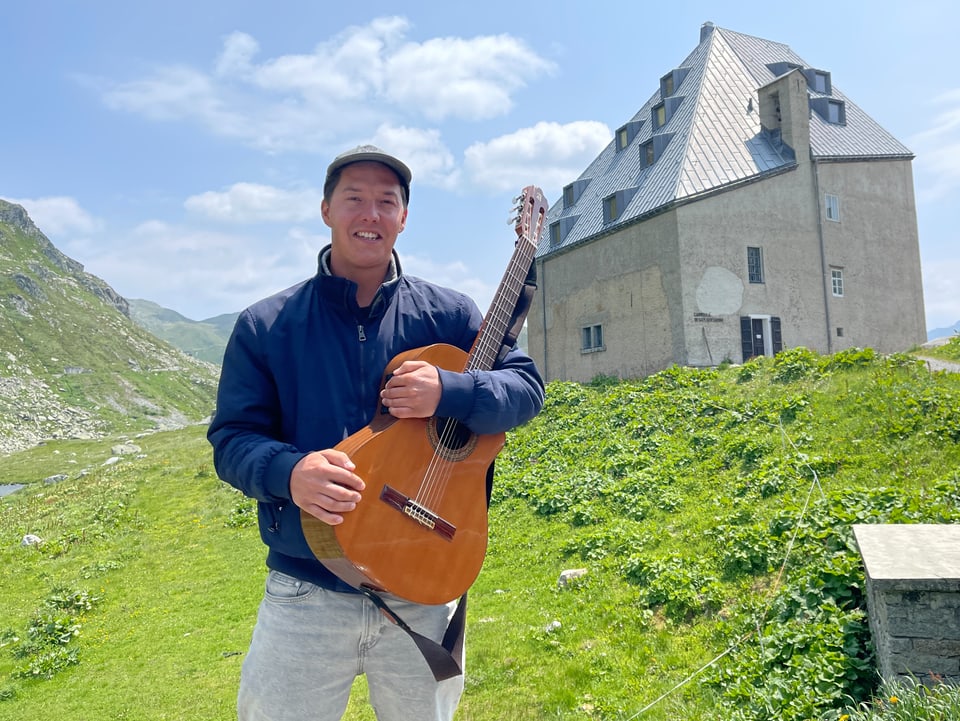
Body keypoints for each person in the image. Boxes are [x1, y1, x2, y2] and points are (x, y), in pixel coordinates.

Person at [207, 145, 545, 721]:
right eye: (354, 200)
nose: (371, 214)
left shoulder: (452, 317)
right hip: (306, 591)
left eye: (386, 202)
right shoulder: (267, 325)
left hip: (426, 589)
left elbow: (527, 390)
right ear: (326, 210)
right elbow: (233, 439)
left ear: (403, 218)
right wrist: (290, 473)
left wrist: (451, 391)